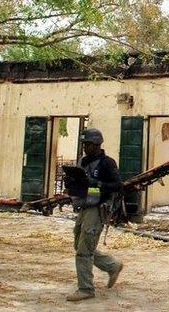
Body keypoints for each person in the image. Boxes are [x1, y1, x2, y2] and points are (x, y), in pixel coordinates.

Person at [65, 128, 124, 302]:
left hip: (97, 208)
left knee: (84, 250)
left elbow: (117, 186)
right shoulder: (83, 162)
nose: (85, 148)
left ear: (97, 144)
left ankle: (85, 288)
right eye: (84, 144)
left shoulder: (107, 163)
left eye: (88, 144)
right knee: (79, 243)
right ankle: (112, 266)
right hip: (83, 206)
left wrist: (95, 183)